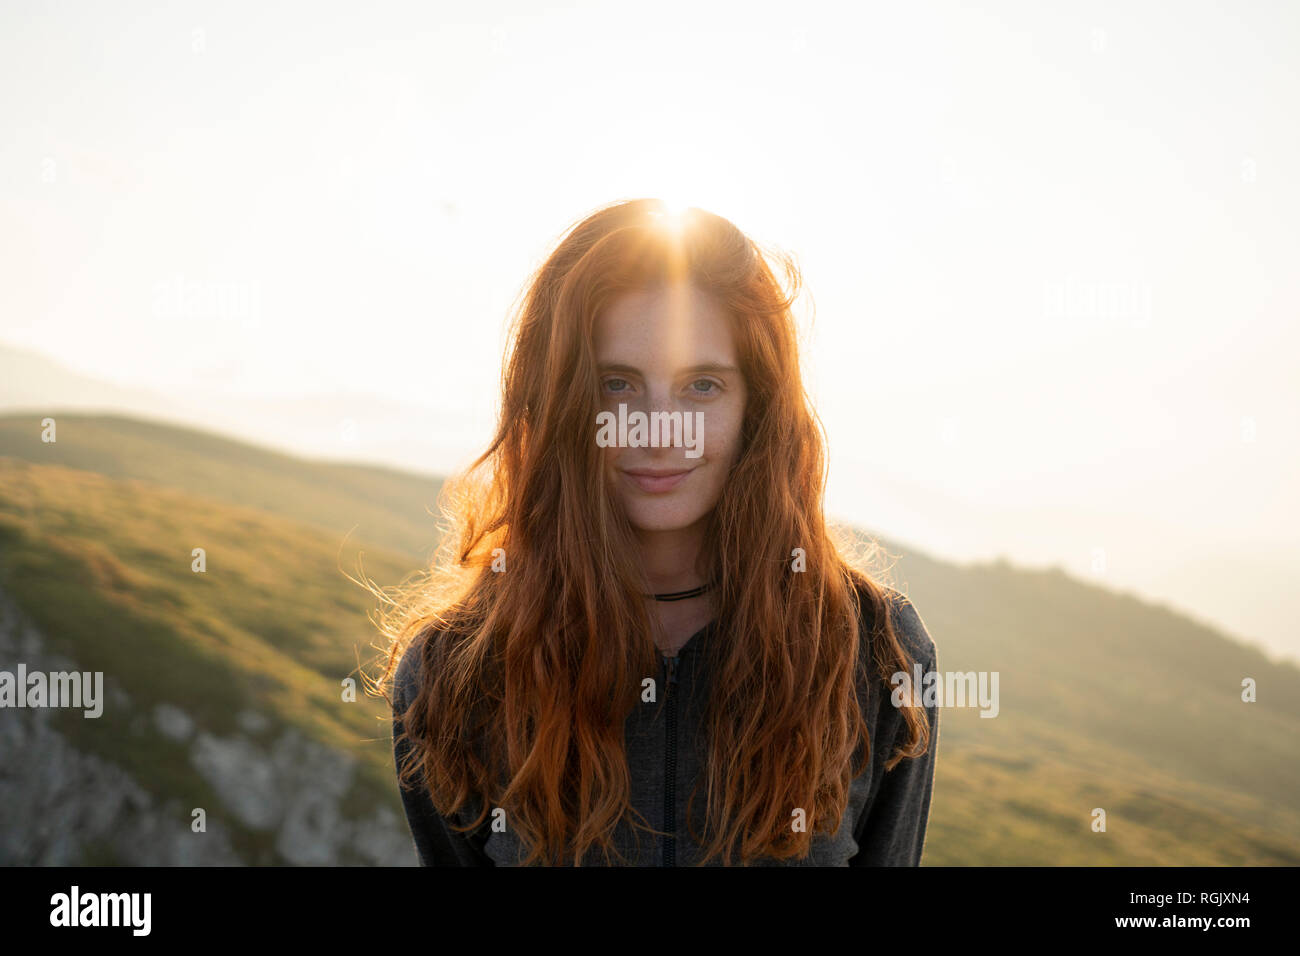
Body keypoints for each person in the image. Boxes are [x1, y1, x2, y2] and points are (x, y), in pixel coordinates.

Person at [376, 198, 939, 866]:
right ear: (558, 400)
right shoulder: (453, 673)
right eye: (616, 383)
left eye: (702, 386)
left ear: (757, 406)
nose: (659, 428)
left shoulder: (873, 653)